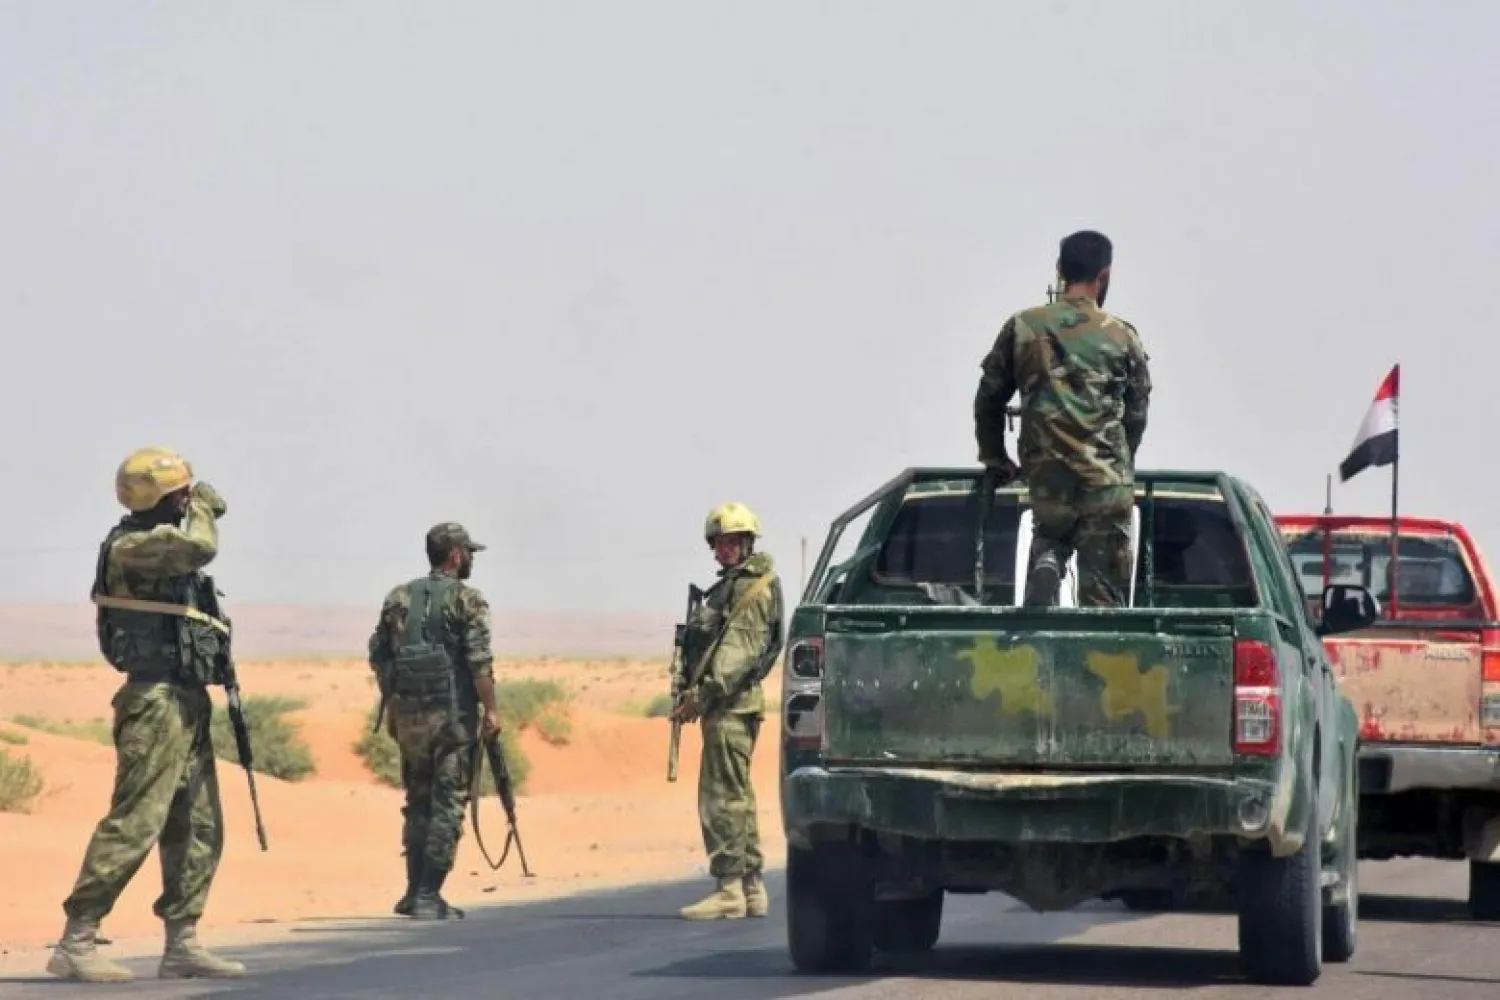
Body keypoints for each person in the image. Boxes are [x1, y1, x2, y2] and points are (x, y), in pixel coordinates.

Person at [49, 446, 244, 983]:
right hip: (154, 701)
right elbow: (199, 546)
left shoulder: (158, 543)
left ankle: (182, 942)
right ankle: (76, 940)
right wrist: (203, 508)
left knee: (199, 824)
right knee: (136, 821)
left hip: (185, 698)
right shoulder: (134, 546)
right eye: (179, 492)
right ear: (156, 498)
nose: (186, 498)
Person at [973, 230, 1153, 608]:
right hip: (1104, 482)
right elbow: (1136, 413)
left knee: (1052, 526)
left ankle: (1049, 555)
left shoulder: (1023, 326)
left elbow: (989, 398)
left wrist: (995, 458)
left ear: (1060, 269)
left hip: (1047, 476)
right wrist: (1123, 463)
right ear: (1104, 275)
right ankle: (1058, 567)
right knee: (1102, 601)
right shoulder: (1122, 336)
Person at [368, 522, 498, 921]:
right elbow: (479, 663)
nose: (471, 559)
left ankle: (413, 891)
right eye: (469, 552)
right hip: (452, 721)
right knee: (447, 804)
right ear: (456, 555)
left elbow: (378, 653)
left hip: (409, 721)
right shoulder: (468, 600)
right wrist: (492, 710)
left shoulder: (399, 597)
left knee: (418, 801)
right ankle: (428, 894)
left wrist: (397, 696)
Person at [671, 502, 785, 920]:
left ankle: (730, 889)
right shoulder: (734, 586)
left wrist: (699, 697)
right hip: (732, 706)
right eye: (720, 543)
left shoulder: (749, 589)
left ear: (748, 543)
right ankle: (751, 889)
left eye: (733, 542)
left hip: (730, 707)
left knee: (720, 799)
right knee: (738, 797)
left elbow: (736, 656)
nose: (725, 550)